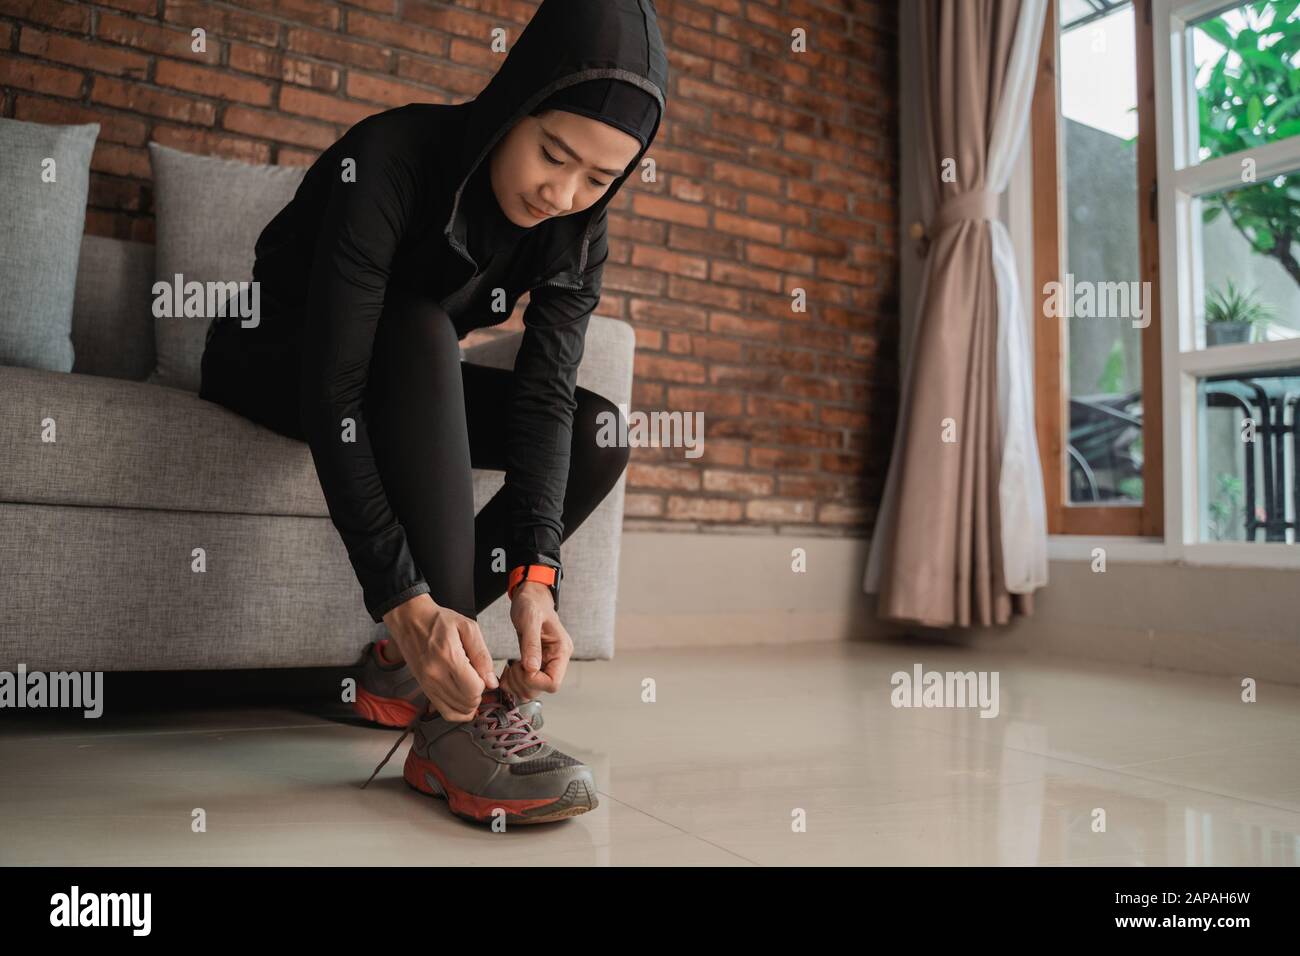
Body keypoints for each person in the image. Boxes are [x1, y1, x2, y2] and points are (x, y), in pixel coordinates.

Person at [198, 0, 667, 824]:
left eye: (599, 179)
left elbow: (545, 394)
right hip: (271, 363)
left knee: (596, 428)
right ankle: (452, 725)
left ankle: (395, 672)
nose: (563, 193)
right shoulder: (389, 158)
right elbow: (333, 394)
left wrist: (534, 578)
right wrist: (405, 602)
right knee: (418, 321)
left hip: (400, 370)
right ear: (513, 104)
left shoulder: (576, 231)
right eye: (553, 153)